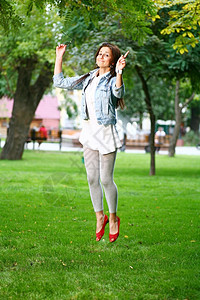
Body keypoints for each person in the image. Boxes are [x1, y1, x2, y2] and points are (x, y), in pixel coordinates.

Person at [53, 42, 128, 242]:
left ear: (112, 61)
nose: (101, 57)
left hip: (105, 133)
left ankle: (113, 218)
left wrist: (119, 72)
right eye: (100, 53)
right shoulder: (88, 78)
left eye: (106, 55)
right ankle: (99, 217)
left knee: (105, 179)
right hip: (89, 133)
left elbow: (118, 93)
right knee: (91, 178)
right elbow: (60, 82)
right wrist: (59, 56)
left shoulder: (112, 79)